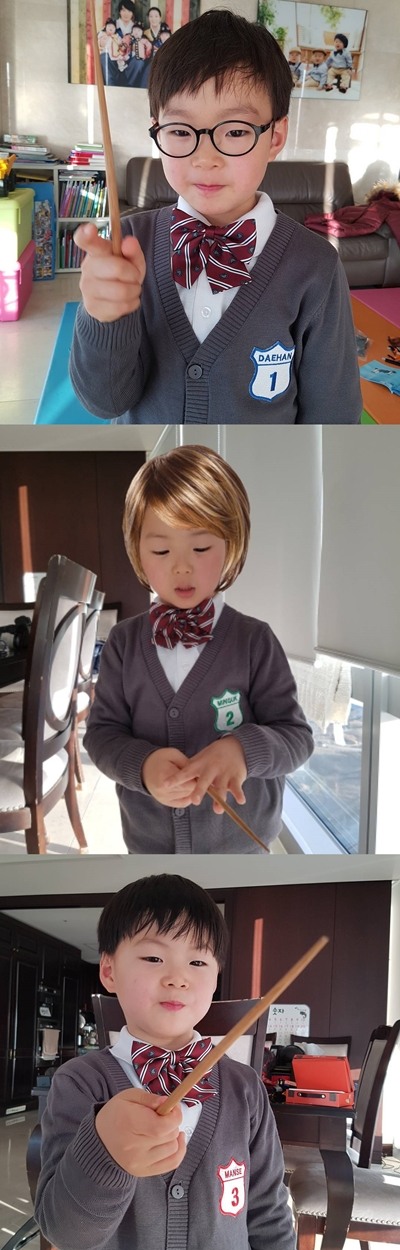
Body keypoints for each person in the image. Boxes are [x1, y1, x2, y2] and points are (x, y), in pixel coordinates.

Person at [70, 9, 362, 425]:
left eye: (236, 131)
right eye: (180, 131)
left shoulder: (316, 266)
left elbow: (333, 416)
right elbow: (105, 402)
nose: (205, 159)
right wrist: (103, 316)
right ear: (157, 129)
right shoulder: (127, 244)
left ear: (275, 136)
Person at [35, 872, 297, 1250]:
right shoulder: (79, 1082)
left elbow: (269, 1212)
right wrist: (104, 1152)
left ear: (216, 978)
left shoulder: (245, 1087)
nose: (178, 978)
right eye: (154, 957)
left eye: (197, 961)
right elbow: (65, 1233)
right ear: (109, 971)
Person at [83, 444, 314, 854]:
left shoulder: (254, 640)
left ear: (231, 544)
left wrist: (242, 750)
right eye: (161, 550)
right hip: (150, 845)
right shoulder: (122, 643)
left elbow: (296, 738)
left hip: (243, 845)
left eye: (201, 548)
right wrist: (143, 766)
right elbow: (101, 736)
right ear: (137, 551)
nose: (181, 566)